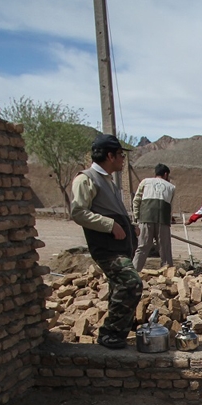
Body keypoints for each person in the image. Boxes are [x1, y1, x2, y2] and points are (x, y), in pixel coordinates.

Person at [69, 134, 141, 349]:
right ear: (110, 155)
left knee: (118, 288)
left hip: (120, 248)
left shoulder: (108, 180)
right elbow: (78, 212)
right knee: (131, 283)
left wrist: (129, 226)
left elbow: (109, 209)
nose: (122, 159)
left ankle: (117, 336)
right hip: (107, 249)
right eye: (120, 155)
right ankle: (110, 334)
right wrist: (110, 225)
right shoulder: (86, 179)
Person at [131, 163, 176, 272]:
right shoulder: (171, 187)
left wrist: (137, 217)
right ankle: (168, 273)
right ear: (166, 174)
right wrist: (169, 220)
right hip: (163, 221)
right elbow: (170, 206)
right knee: (165, 249)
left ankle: (133, 273)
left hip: (145, 219)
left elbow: (136, 200)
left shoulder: (145, 182)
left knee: (142, 247)